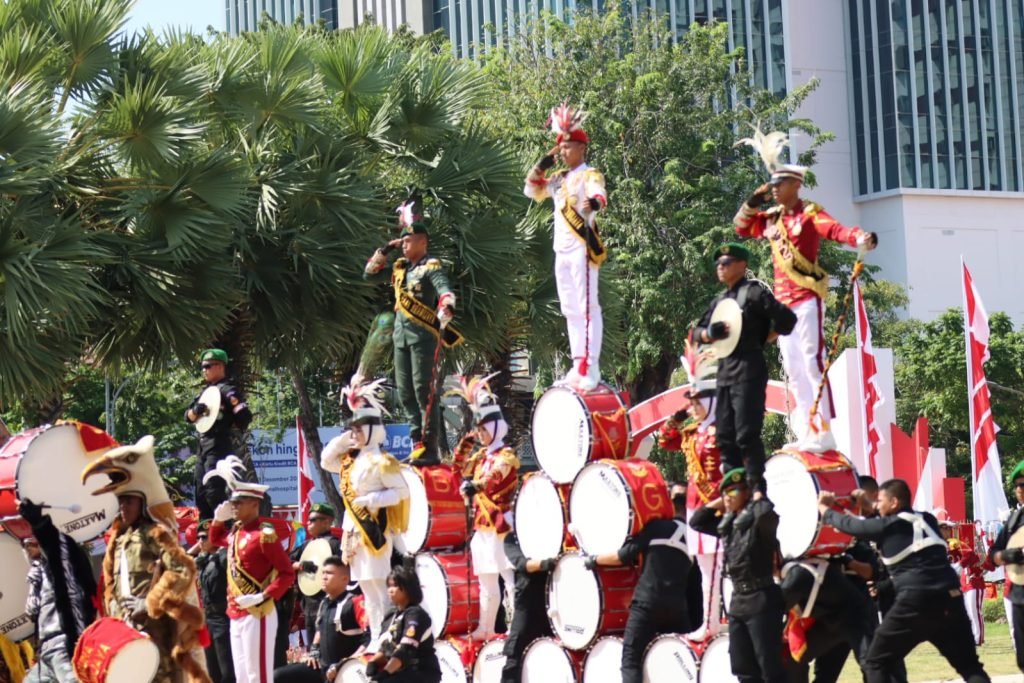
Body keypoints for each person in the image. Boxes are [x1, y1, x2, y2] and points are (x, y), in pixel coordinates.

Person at [734, 161, 877, 451]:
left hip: (808, 300)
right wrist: (753, 199)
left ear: (796, 184)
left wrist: (859, 237)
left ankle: (823, 430)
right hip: (782, 306)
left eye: (780, 185)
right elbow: (741, 228)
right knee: (794, 368)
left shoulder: (810, 214)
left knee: (813, 362)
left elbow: (836, 230)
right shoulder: (771, 220)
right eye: (772, 185)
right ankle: (806, 430)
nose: (775, 190)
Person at [817, 479, 991, 683]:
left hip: (915, 601)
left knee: (875, 662)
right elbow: (893, 520)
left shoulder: (889, 526)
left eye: (879, 500)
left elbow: (851, 525)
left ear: (894, 503)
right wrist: (870, 506)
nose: (876, 504)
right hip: (950, 597)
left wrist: (826, 510)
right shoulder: (927, 520)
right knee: (969, 666)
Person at [81, 434, 210, 683]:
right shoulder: (117, 540)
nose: (123, 508)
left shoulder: (156, 533)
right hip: (125, 635)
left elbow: (183, 570)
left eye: (128, 501)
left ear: (142, 501)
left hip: (157, 635)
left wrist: (150, 603)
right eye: (120, 502)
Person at [693, 243, 796, 493]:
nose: (720, 267)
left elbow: (787, 319)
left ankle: (757, 487)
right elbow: (696, 333)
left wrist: (765, 337)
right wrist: (708, 333)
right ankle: (733, 488)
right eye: (718, 264)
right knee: (724, 436)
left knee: (747, 433)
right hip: (725, 371)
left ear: (742, 265)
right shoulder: (720, 300)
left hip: (749, 368)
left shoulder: (753, 293)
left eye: (726, 263)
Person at [364, 202, 460, 465]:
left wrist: (447, 303)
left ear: (422, 242)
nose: (404, 245)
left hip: (422, 337)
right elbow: (369, 275)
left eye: (408, 241)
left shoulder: (431, 265)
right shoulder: (400, 268)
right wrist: (385, 250)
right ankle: (416, 441)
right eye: (402, 241)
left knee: (423, 390)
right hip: (400, 337)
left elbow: (443, 287)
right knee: (405, 391)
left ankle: (430, 446)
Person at [523, 103, 608, 390]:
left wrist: (594, 203)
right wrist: (546, 161)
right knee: (570, 308)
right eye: (562, 147)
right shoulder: (558, 178)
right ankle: (577, 361)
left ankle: (591, 364)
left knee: (588, 306)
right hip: (562, 249)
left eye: (569, 147)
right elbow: (530, 189)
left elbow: (600, 195)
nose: (565, 151)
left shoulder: (590, 174)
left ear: (582, 148)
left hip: (583, 247)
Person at [321, 377, 410, 647]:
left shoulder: (383, 461)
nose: (355, 435)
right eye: (353, 430)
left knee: (380, 585)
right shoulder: (349, 461)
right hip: (352, 531)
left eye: (359, 430)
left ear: (373, 430)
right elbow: (326, 461)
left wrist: (373, 498)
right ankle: (374, 636)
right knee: (366, 587)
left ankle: (386, 635)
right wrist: (342, 441)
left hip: (374, 529)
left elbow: (402, 492)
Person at [584, 484, 702, 683]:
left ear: (669, 504)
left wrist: (594, 560)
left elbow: (623, 556)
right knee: (679, 661)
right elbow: (695, 589)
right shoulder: (695, 538)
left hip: (647, 605)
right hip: (678, 610)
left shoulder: (657, 527)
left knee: (631, 661)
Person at [690, 468, 785, 683]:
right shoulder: (729, 526)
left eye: (733, 493)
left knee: (769, 667)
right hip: (738, 601)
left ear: (747, 493)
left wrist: (757, 491)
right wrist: (720, 502)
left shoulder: (760, 523)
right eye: (725, 494)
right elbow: (697, 521)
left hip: (761, 598)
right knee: (742, 666)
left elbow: (766, 513)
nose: (727, 498)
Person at [207, 457, 297, 683]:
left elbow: (287, 573)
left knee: (259, 675)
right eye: (233, 502)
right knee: (243, 676)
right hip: (235, 611)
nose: (233, 506)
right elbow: (215, 539)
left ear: (255, 504)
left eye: (239, 502)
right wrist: (218, 520)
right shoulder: (236, 532)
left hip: (259, 611)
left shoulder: (264, 535)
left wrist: (263, 595)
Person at [657, 340, 724, 640]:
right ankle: (709, 623)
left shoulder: (724, 431)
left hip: (720, 506)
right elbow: (665, 440)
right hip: (696, 508)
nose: (694, 408)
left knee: (727, 569)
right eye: (692, 403)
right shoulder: (691, 431)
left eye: (697, 403)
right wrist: (679, 415)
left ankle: (726, 622)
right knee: (705, 568)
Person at [450, 374, 520, 640]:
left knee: (509, 580)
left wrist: (475, 486)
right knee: (485, 583)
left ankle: (514, 627)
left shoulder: (507, 455)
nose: (480, 433)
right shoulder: (480, 456)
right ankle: (486, 628)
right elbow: (457, 469)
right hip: (482, 527)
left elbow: (495, 478)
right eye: (478, 429)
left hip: (501, 523)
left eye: (483, 428)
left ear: (496, 426)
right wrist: (465, 445)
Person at [18, 500, 97, 683]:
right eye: (25, 543)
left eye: (32, 541)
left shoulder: (64, 555)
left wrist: (40, 523)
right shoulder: (38, 573)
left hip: (65, 643)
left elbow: (55, 545)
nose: (28, 545)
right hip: (45, 651)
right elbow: (33, 612)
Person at [274, 557, 368, 683]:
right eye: (323, 573)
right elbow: (319, 629)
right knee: (278, 676)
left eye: (329, 573)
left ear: (345, 579)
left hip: (345, 672)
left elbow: (369, 639)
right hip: (321, 669)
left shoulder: (355, 603)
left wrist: (346, 663)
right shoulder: (324, 602)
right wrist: (314, 651)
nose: (324, 577)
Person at [185, 348, 253, 519]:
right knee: (200, 492)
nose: (204, 370)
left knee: (213, 490)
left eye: (208, 366)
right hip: (203, 445)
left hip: (219, 443)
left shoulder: (228, 390)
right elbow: (188, 417)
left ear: (220, 366)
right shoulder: (206, 392)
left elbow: (244, 416)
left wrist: (234, 417)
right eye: (202, 367)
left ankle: (225, 528)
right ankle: (207, 534)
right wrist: (196, 411)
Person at [365, 566, 441, 683]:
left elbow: (406, 650)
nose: (390, 590)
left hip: (420, 671)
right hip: (399, 671)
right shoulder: (390, 615)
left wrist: (385, 673)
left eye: (395, 586)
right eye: (389, 586)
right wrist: (373, 662)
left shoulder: (416, 614)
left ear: (408, 588)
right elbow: (387, 648)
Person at [499, 530, 556, 683]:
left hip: (557, 601)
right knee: (514, 655)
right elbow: (523, 564)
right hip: (529, 604)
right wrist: (545, 564)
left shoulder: (555, 533)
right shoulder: (512, 538)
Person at [989, 459, 1024, 673]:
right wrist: (1005, 555)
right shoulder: (1014, 519)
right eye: (1018, 485)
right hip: (1019, 594)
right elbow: (993, 555)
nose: (1020, 489)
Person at [290, 503, 343, 648]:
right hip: (308, 603)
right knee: (311, 650)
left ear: (327, 522)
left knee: (326, 648)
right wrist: (299, 565)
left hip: (327, 602)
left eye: (313, 520)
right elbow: (286, 561)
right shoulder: (306, 545)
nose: (308, 523)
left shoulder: (335, 545)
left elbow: (343, 571)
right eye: (308, 519)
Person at [192, 520, 236, 683]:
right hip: (208, 620)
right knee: (212, 671)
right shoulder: (205, 559)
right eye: (198, 538)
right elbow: (183, 561)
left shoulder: (225, 556)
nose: (200, 542)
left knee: (228, 671)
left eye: (204, 537)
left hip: (224, 619)